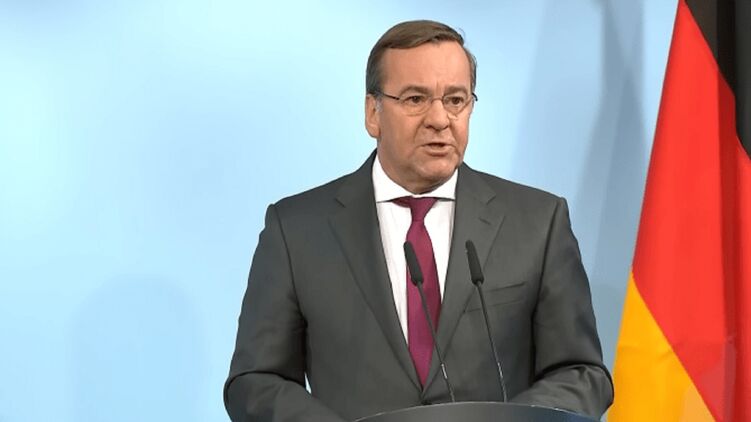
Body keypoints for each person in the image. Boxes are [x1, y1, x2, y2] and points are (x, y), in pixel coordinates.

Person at [224, 20, 613, 422]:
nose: (440, 119)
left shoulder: (538, 222)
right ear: (373, 113)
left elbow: (581, 373)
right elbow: (256, 381)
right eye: (415, 99)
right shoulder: (296, 230)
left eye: (456, 100)